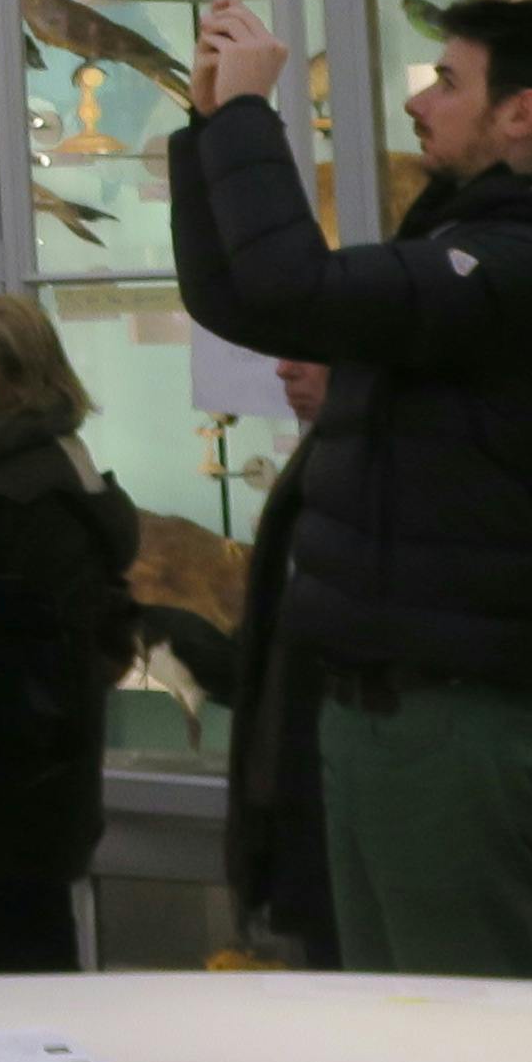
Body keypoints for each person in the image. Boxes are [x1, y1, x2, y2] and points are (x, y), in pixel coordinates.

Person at [172, 0, 532, 979]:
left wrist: (247, 120)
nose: (421, 103)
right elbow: (240, 298)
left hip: (458, 708)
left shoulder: (530, 262)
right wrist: (207, 130)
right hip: (380, 697)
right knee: (388, 1009)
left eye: (448, 82)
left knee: (462, 1017)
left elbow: (292, 288)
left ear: (520, 113)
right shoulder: (464, 242)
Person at [0, 295, 144, 974]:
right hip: (35, 762)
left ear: (20, 380)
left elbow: (53, 632)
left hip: (16, 768)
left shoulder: (16, 489)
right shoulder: (48, 457)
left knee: (26, 955)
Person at [222, 358, 339, 966]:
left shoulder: (373, 470)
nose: (283, 370)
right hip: (299, 778)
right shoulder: (317, 461)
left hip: (347, 775)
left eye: (311, 351)